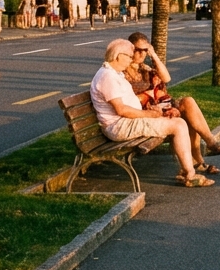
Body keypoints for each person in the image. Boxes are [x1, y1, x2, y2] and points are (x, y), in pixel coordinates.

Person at [91, 38, 213, 187]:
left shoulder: (114, 74)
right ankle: (190, 174)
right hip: (119, 126)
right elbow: (121, 110)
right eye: (129, 56)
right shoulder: (107, 77)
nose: (131, 60)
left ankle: (187, 170)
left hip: (125, 122)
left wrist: (151, 111)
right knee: (178, 125)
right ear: (119, 56)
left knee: (177, 120)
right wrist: (149, 115)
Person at [126, 32, 220, 161]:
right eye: (138, 50)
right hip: (146, 112)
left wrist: (154, 55)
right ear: (130, 49)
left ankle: (210, 144)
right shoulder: (124, 71)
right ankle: (199, 161)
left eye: (145, 50)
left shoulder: (145, 68)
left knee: (188, 102)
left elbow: (166, 78)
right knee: (187, 118)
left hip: (159, 105)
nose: (142, 54)